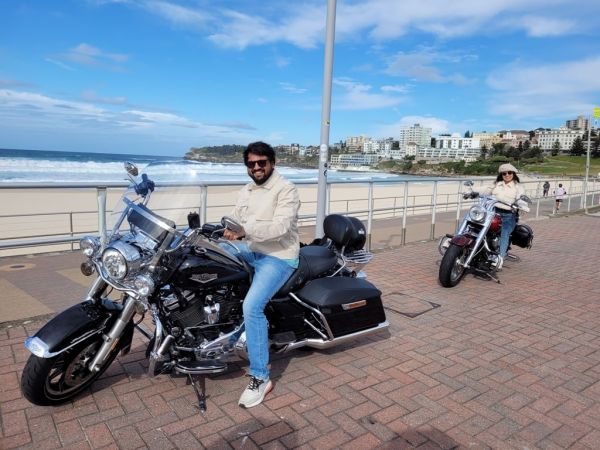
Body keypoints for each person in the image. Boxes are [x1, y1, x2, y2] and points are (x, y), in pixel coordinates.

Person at [222, 141, 300, 408]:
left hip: (278, 256)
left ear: (271, 162)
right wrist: (222, 228)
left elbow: (280, 226)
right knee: (208, 261)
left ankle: (260, 377)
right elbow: (235, 218)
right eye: (251, 163)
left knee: (252, 307)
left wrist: (245, 231)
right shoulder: (247, 190)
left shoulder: (286, 189)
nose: (256, 167)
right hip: (251, 249)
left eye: (261, 162)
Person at [482, 163, 528, 263]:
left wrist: (522, 205)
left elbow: (521, 198)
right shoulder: (496, 184)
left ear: (514, 173)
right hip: (493, 212)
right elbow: (485, 190)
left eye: (509, 172)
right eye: (504, 173)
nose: (507, 175)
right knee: (476, 222)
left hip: (509, 215)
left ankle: (499, 257)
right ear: (501, 175)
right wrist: (472, 192)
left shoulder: (518, 187)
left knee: (505, 232)